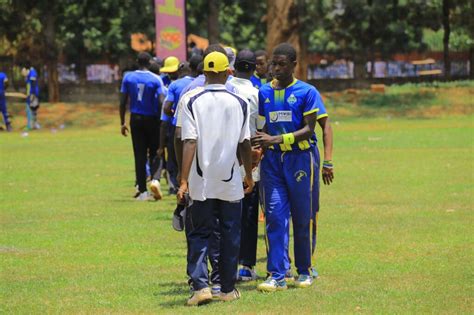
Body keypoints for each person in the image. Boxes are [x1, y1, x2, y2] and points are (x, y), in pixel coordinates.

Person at [252, 43, 334, 292]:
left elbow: (311, 129)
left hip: (301, 158)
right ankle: (276, 274)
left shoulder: (307, 92)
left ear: (293, 65)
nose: (275, 68)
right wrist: (258, 150)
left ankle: (304, 269)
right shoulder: (264, 93)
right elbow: (261, 128)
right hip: (273, 162)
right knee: (274, 216)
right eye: (272, 64)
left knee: (302, 216)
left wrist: (327, 161)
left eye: (281, 64)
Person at [178, 51, 254, 305]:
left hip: (200, 180)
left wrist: (183, 180)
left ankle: (201, 286)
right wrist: (249, 174)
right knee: (230, 233)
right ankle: (226, 288)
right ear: (226, 72)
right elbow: (245, 143)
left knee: (200, 232)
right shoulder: (239, 101)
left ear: (205, 73)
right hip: (230, 178)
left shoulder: (190, 99)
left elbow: (189, 141)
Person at [228, 50, 261, 281]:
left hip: (222, 159)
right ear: (253, 69)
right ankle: (246, 265)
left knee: (225, 213)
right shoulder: (257, 94)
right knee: (248, 212)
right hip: (249, 157)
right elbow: (260, 127)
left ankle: (225, 263)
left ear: (234, 67)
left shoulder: (224, 88)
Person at [119, 52, 166, 200]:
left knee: (139, 154)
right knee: (155, 152)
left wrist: (122, 122)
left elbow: (122, 102)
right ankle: (154, 181)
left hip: (136, 119)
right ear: (150, 62)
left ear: (137, 61)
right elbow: (161, 101)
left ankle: (142, 191)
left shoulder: (128, 77)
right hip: (152, 118)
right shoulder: (156, 79)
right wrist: (161, 120)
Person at [22, 62, 40, 130]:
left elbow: (33, 82)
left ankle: (31, 125)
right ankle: (33, 125)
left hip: (33, 94)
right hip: (29, 95)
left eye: (23, 71)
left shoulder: (32, 72)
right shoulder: (27, 76)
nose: (22, 73)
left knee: (32, 109)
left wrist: (31, 94)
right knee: (30, 109)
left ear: (27, 70)